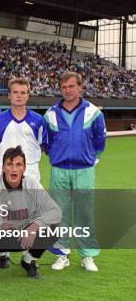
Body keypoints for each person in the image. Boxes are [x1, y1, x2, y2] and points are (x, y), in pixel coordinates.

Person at [44, 71, 106, 272]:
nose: (67, 90)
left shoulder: (94, 112)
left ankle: (87, 256)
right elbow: (47, 143)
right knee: (59, 213)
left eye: (71, 86)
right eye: (63, 87)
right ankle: (62, 254)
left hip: (84, 170)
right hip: (59, 170)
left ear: (80, 87)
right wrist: (57, 157)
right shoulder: (51, 113)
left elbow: (100, 141)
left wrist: (90, 161)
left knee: (84, 213)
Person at [0, 146, 61, 279]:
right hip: (1, 235)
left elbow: (55, 211)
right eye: (9, 164)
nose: (13, 169)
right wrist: (0, 224)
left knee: (55, 229)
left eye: (18, 165)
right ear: (2, 167)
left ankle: (28, 261)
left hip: (25, 235)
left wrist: (35, 226)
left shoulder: (32, 184)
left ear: (24, 168)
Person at [0, 77, 46, 182]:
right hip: (5, 170)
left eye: (23, 92)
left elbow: (42, 146)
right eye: (15, 92)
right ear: (9, 95)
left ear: (27, 96)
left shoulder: (39, 120)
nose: (19, 96)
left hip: (30, 171)